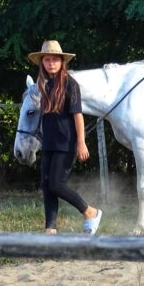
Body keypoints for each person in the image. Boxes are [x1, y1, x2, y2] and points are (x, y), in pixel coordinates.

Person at [28, 40, 102, 235]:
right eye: (47, 60)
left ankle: (90, 212)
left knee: (56, 184)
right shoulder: (45, 85)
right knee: (46, 185)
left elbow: (78, 115)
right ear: (42, 63)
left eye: (54, 60)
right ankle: (50, 229)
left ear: (62, 62)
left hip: (66, 143)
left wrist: (81, 142)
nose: (51, 63)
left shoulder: (70, 84)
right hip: (49, 143)